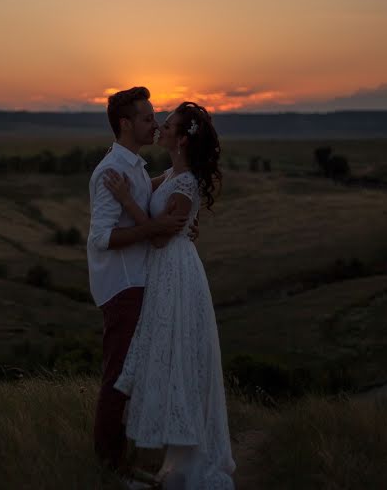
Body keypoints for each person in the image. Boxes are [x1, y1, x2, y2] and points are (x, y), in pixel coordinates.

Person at [105, 102, 235, 489]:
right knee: (168, 351)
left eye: (169, 124)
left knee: (180, 351)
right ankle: (174, 466)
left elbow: (161, 237)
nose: (161, 126)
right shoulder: (170, 176)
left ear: (181, 138)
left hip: (176, 270)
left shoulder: (187, 183)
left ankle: (193, 468)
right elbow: (155, 210)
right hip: (165, 271)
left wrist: (127, 201)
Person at [86, 86, 189, 474]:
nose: (155, 123)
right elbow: (101, 237)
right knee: (118, 378)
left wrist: (186, 174)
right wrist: (156, 228)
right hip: (123, 286)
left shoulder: (135, 168)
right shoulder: (111, 172)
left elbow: (151, 191)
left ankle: (123, 460)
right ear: (126, 124)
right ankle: (108, 467)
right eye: (147, 117)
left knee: (133, 376)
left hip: (138, 283)